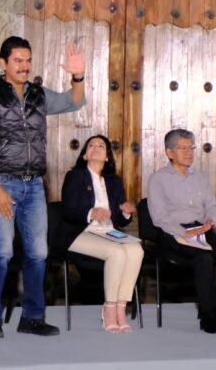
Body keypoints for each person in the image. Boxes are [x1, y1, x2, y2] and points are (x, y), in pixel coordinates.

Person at [0, 35, 86, 338]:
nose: (25, 66)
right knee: (4, 251)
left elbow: (74, 101)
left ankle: (32, 317)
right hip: (4, 184)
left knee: (38, 253)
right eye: (18, 61)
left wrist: (78, 76)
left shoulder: (38, 95)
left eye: (28, 60)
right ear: (3, 63)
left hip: (34, 186)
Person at [147, 128, 216, 334]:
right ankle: (208, 315)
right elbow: (159, 217)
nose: (189, 152)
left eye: (191, 147)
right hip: (173, 233)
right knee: (204, 259)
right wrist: (183, 232)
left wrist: (211, 221)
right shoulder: (159, 179)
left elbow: (212, 205)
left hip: (202, 229)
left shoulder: (201, 177)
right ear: (169, 152)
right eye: (182, 148)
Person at [61, 135, 143, 333]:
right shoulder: (75, 176)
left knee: (136, 250)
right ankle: (109, 308)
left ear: (107, 157)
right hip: (80, 232)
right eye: (91, 145)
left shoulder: (114, 181)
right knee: (117, 252)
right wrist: (91, 213)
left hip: (107, 231)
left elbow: (121, 221)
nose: (96, 148)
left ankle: (121, 308)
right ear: (84, 155)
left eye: (101, 146)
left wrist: (125, 211)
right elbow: (68, 211)